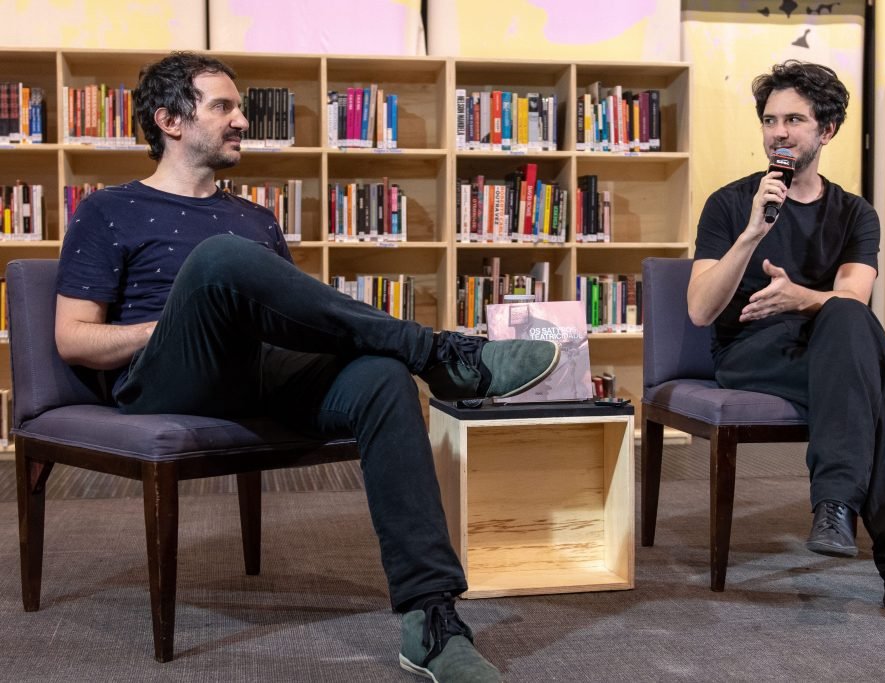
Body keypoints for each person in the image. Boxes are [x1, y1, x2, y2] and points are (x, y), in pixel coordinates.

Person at [54, 51, 561, 681]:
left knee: (380, 379)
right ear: (169, 120)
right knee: (218, 261)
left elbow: (301, 319)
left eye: (239, 107)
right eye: (223, 106)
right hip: (166, 377)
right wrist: (175, 323)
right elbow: (73, 339)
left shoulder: (256, 218)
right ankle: (443, 353)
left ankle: (430, 619)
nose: (241, 120)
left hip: (259, 372)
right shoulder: (108, 210)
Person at [688, 60, 885, 626]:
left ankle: (839, 507)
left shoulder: (855, 212)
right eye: (770, 120)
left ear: (825, 131)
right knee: (866, 388)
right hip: (752, 353)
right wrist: (753, 232)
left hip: (835, 347)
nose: (779, 131)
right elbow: (701, 309)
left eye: (794, 119)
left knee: (848, 323)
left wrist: (800, 296)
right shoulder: (730, 204)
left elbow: (852, 297)